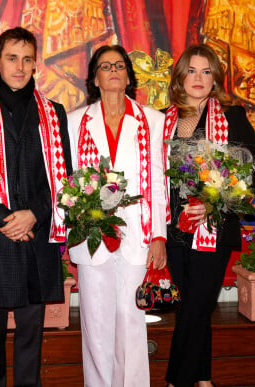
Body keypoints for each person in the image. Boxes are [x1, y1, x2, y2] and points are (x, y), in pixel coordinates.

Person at [0, 26, 72, 386]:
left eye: (27, 59)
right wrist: (5, 219)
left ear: (35, 64)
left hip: (36, 236)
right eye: (12, 58)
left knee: (30, 342)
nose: (19, 67)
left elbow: (64, 175)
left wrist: (33, 213)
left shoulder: (53, 112)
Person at [162, 44, 255, 387]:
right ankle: (203, 378)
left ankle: (176, 380)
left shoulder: (232, 116)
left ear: (216, 79)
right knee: (191, 307)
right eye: (192, 70)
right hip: (174, 230)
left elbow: (254, 174)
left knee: (197, 304)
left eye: (207, 72)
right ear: (180, 76)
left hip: (213, 227)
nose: (198, 78)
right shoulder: (162, 119)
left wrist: (214, 201)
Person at [67, 45, 168, 387]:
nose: (113, 71)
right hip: (90, 234)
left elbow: (157, 181)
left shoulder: (152, 120)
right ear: (94, 77)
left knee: (130, 319)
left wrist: (159, 236)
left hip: (138, 236)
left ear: (128, 75)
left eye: (120, 66)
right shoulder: (75, 121)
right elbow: (65, 182)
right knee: (95, 322)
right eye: (105, 66)